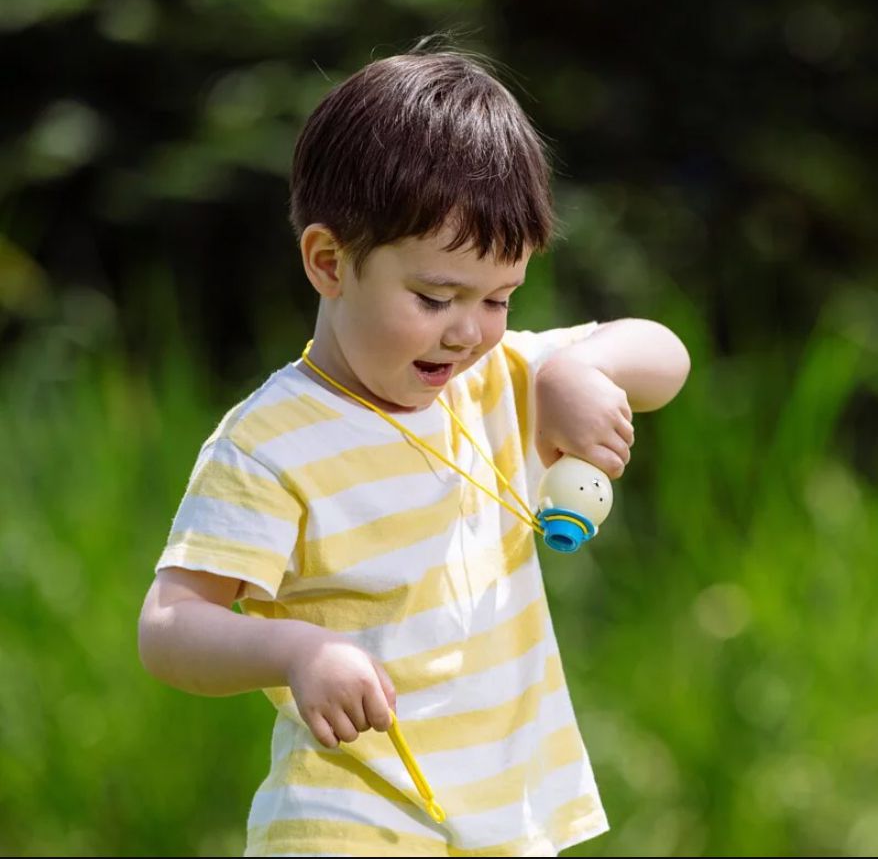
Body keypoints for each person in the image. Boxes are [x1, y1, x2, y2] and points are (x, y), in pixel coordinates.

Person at [138, 44, 690, 857]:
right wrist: (297, 650)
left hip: (508, 818)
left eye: (499, 298)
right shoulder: (271, 444)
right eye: (434, 297)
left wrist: (583, 367)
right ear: (330, 262)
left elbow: (666, 356)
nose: (467, 330)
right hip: (347, 826)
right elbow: (169, 625)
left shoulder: (497, 381)